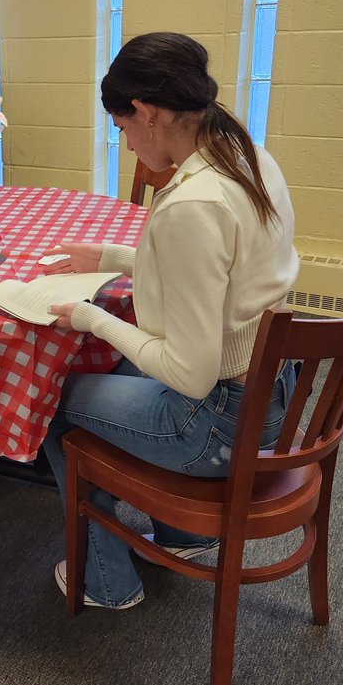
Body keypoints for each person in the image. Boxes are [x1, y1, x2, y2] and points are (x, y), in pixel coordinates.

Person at [40, 32, 301, 609]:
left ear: (148, 112)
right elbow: (212, 274)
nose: (127, 143)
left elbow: (190, 374)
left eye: (123, 128)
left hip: (220, 422)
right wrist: (110, 257)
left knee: (49, 402)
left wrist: (90, 318)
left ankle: (105, 580)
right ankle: (182, 535)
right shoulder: (247, 154)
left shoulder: (192, 204)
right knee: (116, 369)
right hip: (270, 388)